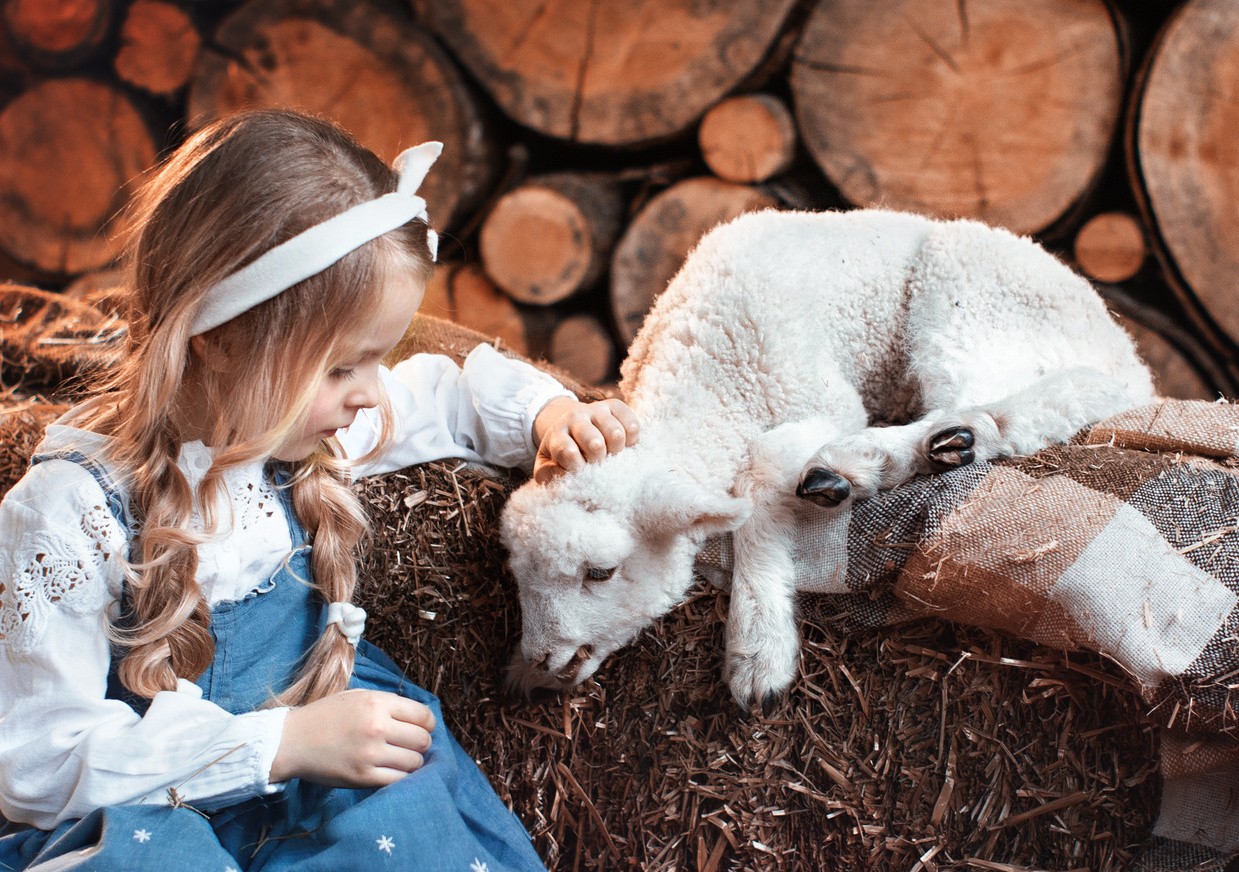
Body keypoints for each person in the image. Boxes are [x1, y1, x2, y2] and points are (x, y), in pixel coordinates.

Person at [0, 109, 639, 871]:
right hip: (161, 808)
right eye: (342, 367)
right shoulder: (69, 514)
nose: (371, 393)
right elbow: (34, 769)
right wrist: (281, 745)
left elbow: (449, 392)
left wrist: (550, 414)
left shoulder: (308, 432)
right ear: (220, 340)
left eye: (379, 358)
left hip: (327, 789)